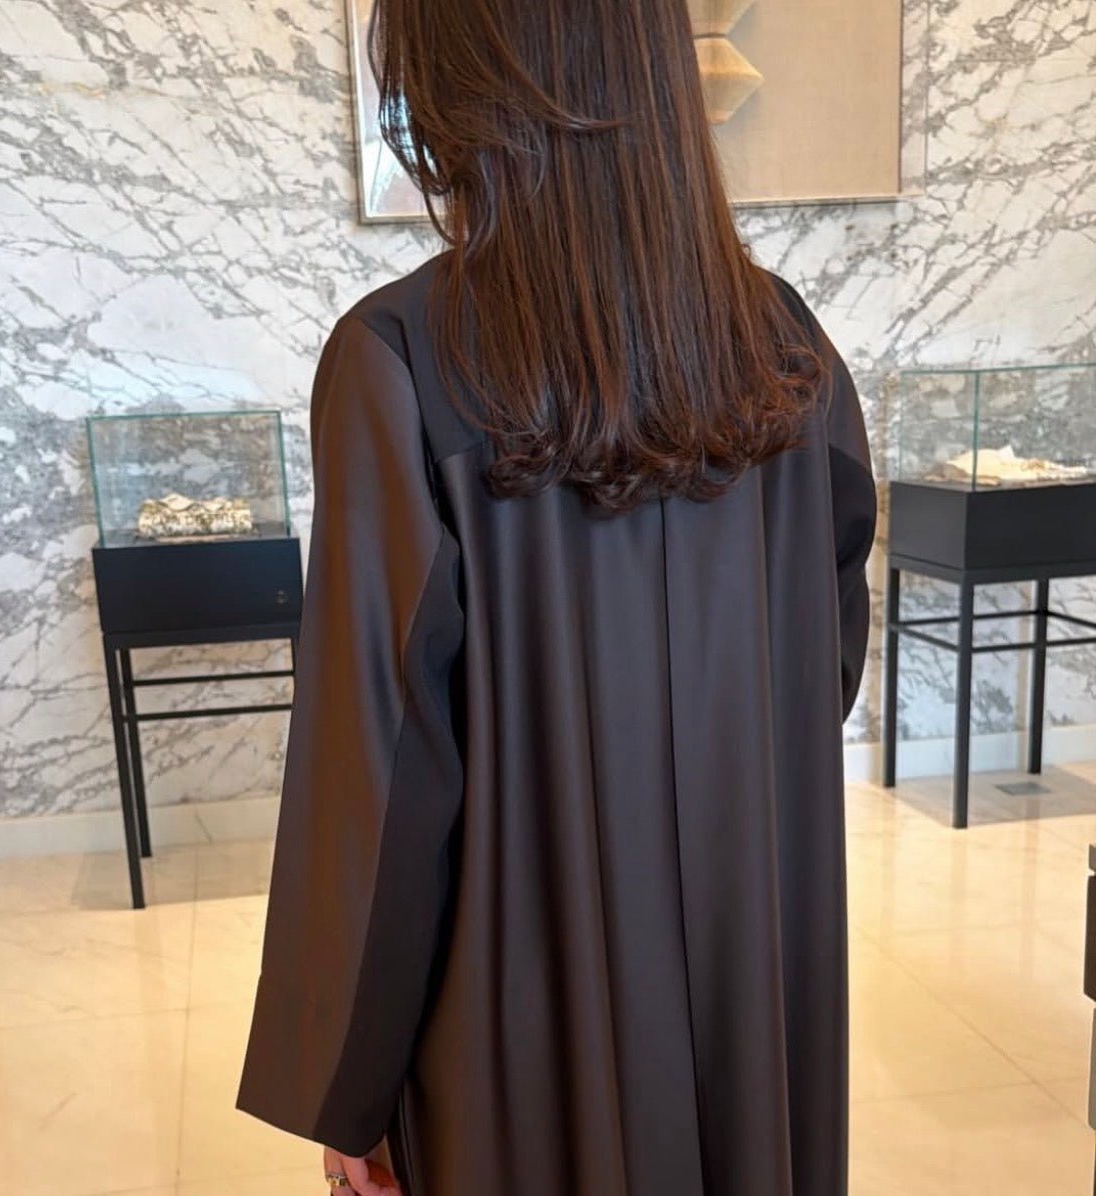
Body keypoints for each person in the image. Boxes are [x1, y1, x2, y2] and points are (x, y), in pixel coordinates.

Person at [235, 0, 877, 1191]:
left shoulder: (400, 359)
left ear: (455, 79)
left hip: (516, 1022)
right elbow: (821, 659)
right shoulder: (784, 344)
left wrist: (353, 1085)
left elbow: (384, 774)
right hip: (753, 977)